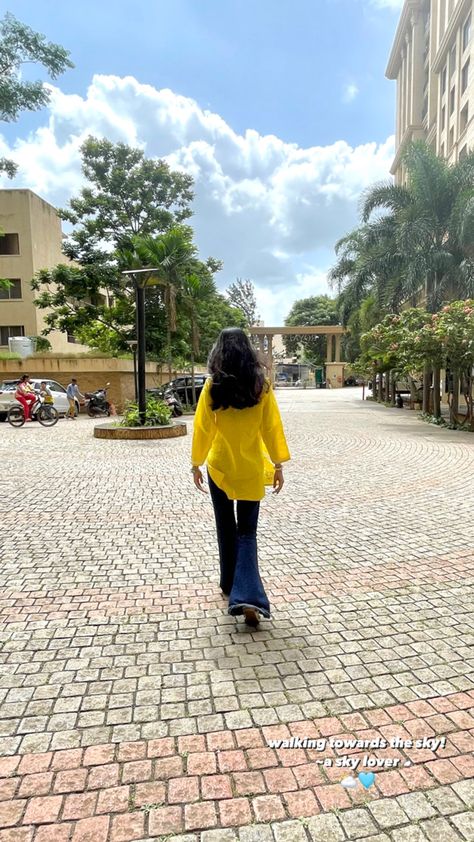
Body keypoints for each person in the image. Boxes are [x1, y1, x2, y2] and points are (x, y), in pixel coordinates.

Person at [191, 327, 290, 627]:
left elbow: (203, 428)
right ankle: (248, 597)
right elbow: (271, 428)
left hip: (219, 467)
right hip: (249, 469)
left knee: (225, 526)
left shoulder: (212, 386)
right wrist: (278, 464)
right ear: (248, 350)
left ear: (219, 351)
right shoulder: (262, 386)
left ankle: (229, 585)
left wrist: (195, 463)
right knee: (246, 533)